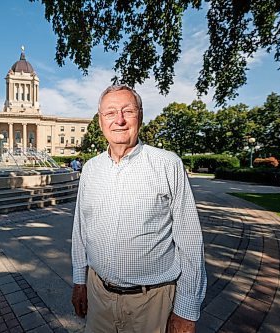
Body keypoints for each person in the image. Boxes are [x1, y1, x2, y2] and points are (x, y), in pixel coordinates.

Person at [71, 85, 206, 333]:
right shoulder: (90, 169)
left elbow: (190, 241)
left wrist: (186, 311)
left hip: (151, 304)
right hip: (98, 296)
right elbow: (81, 230)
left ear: (140, 116)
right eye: (110, 113)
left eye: (127, 111)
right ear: (100, 121)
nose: (119, 120)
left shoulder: (168, 164)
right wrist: (80, 281)